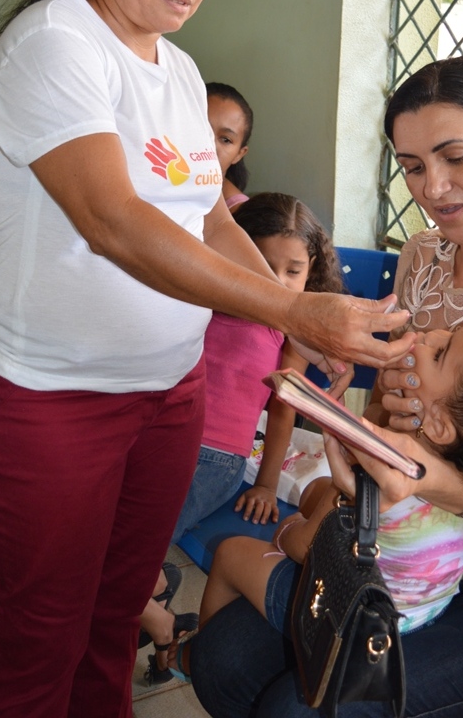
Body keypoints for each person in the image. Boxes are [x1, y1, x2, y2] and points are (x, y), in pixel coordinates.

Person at [0, 0, 415, 718]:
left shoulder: (173, 68)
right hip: (55, 399)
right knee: (42, 632)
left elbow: (207, 218)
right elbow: (113, 220)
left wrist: (291, 331)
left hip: (167, 393)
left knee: (111, 616)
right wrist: (294, 306)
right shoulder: (52, 47)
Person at [191, 55, 463, 718]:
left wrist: (425, 476)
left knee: (305, 706)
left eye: (454, 157)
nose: (432, 187)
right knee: (223, 656)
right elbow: (398, 415)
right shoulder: (422, 258)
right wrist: (369, 433)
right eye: (411, 166)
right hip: (423, 561)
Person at [169, 320, 463, 684]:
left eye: (441, 351)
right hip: (417, 613)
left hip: (344, 618)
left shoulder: (387, 487)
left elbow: (302, 548)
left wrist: (285, 531)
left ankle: (195, 654)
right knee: (318, 494)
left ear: (441, 424)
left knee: (231, 553)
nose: (430, 335)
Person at [143, 192, 345, 685]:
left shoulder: (287, 329)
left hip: (213, 461)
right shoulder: (204, 300)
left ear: (311, 270)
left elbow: (282, 410)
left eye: (292, 270)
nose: (273, 282)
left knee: (117, 559)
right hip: (159, 438)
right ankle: (155, 605)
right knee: (119, 549)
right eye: (258, 262)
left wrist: (265, 483)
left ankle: (158, 618)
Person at [206, 81, 253, 211]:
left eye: (226, 140)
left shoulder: (239, 212)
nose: (210, 144)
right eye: (204, 129)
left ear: (239, 154)